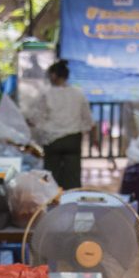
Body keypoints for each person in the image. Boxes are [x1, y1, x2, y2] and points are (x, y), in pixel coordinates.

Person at [26, 60, 94, 190]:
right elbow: (88, 119)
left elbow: (35, 117)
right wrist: (93, 137)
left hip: (52, 141)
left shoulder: (46, 94)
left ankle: (53, 202)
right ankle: (73, 200)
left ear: (53, 75)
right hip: (73, 140)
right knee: (73, 175)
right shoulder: (78, 93)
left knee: (51, 176)